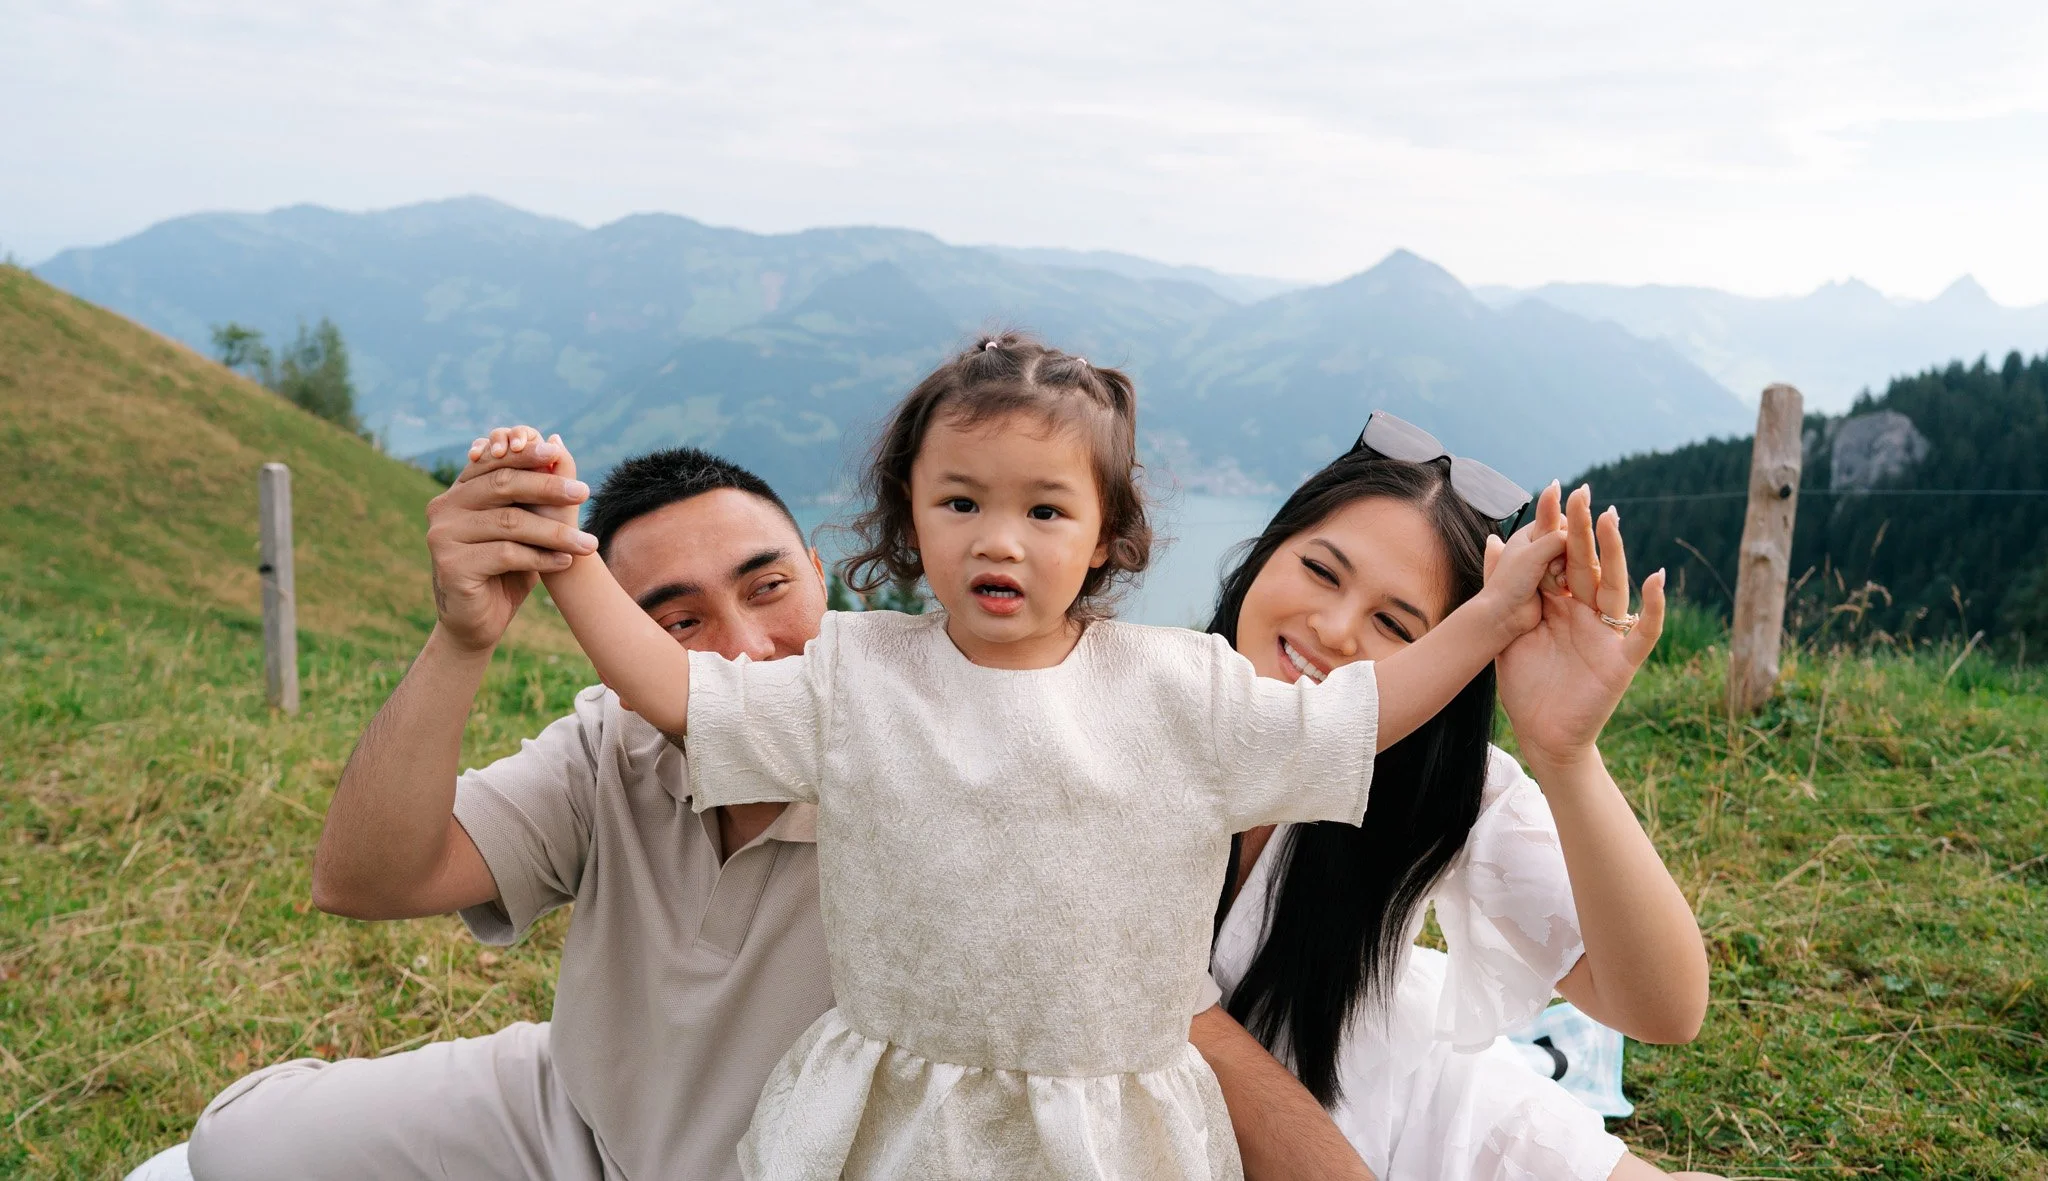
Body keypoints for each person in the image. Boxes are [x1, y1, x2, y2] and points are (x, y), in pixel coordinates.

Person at [495, 333, 1575, 1180]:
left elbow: (1353, 715)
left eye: (1044, 509)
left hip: (1110, 1124)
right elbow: (680, 693)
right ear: (907, 520)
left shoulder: (1178, 690)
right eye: (959, 502)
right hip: (892, 1110)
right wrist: (566, 558)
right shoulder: (850, 678)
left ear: (1105, 534)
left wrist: (1485, 622)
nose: (997, 539)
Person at [174, 437, 1378, 1181]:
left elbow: (1159, 1019)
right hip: (573, 1106)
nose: (744, 652)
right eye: (677, 619)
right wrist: (459, 638)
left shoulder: (972, 768)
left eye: (769, 588)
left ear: (831, 577)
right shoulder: (616, 742)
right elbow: (367, 878)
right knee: (238, 1148)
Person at [1204, 419, 1720, 1181]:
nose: (1336, 629)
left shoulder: (1431, 781)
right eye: (1320, 569)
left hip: (1390, 1099)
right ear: (1267, 551)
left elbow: (1664, 1008)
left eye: (1394, 622)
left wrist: (1566, 756)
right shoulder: (1135, 706)